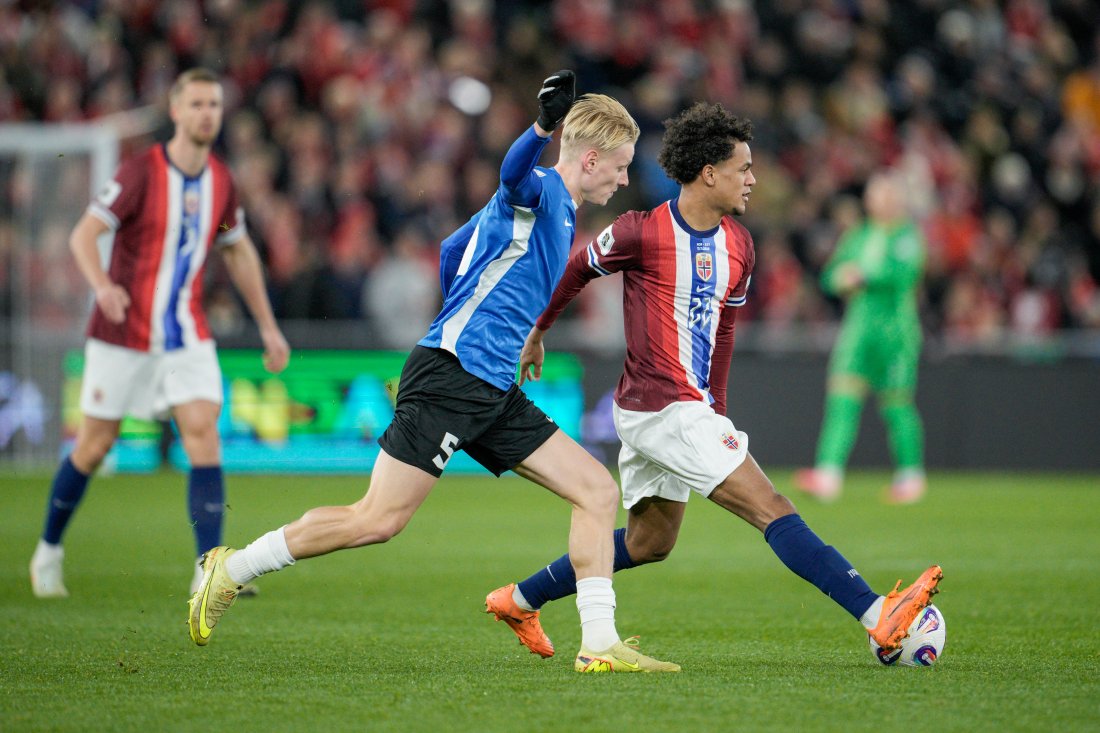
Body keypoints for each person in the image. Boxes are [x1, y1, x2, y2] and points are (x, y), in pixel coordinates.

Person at [188, 71, 679, 674]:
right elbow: (511, 175)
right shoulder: (544, 193)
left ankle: (599, 643)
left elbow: (453, 250)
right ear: (593, 157)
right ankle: (230, 569)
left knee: (598, 491)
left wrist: (506, 329)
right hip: (452, 376)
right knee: (377, 520)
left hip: (490, 383)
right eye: (622, 166)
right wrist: (541, 127)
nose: (626, 179)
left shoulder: (553, 214)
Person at [483, 103, 942, 661]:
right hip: (660, 405)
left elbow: (723, 332)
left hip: (685, 408)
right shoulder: (642, 231)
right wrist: (539, 331)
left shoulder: (740, 247)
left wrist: (717, 407)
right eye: (743, 168)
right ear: (709, 173)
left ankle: (521, 598)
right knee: (771, 506)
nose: (752, 179)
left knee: (651, 542)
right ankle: (877, 613)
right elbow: (578, 267)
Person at [28, 68, 291, 599]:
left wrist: (268, 327)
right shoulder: (140, 172)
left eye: (213, 105)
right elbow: (85, 234)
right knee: (95, 445)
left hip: (186, 333)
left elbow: (237, 249)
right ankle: (48, 550)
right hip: (121, 333)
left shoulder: (221, 179)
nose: (205, 114)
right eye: (195, 104)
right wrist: (101, 285)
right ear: (175, 111)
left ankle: (209, 568)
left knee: (203, 432)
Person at [794, 171, 928, 503]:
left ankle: (911, 476)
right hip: (858, 331)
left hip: (895, 332)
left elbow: (904, 272)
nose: (880, 201)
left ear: (897, 200)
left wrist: (861, 275)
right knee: (841, 400)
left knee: (897, 404)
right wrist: (840, 278)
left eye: (886, 195)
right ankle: (828, 475)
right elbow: (829, 276)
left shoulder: (907, 236)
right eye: (875, 195)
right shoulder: (858, 235)